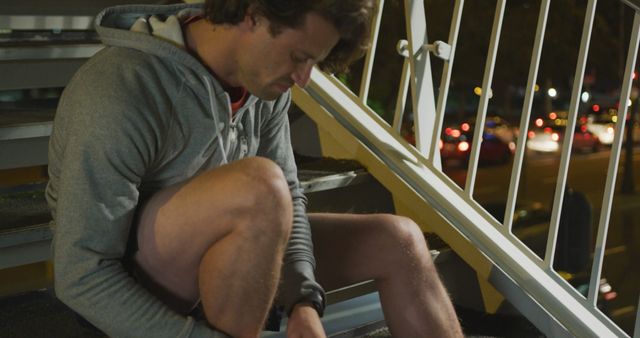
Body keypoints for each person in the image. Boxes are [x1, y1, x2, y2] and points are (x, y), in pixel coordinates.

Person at [46, 0, 463, 337]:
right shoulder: (121, 87)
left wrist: (303, 300)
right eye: (299, 57)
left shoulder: (264, 85)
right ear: (253, 13)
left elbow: (292, 197)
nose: (303, 79)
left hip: (237, 251)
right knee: (260, 185)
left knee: (399, 240)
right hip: (134, 291)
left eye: (313, 62)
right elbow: (82, 274)